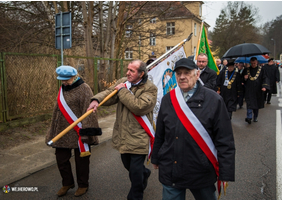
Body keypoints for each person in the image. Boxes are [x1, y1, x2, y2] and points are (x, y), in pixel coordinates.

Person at [151, 58, 235, 200]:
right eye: (178, 73)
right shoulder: (168, 99)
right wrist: (156, 157)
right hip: (172, 169)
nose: (182, 77)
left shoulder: (214, 100)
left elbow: (225, 140)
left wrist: (225, 172)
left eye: (187, 73)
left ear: (197, 75)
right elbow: (160, 133)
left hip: (201, 170)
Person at [87, 60, 157, 200]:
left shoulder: (150, 88)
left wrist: (123, 90)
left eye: (132, 71)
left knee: (135, 173)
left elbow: (139, 107)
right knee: (129, 166)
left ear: (141, 73)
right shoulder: (124, 81)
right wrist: (96, 100)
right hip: (123, 134)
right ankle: (145, 174)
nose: (127, 73)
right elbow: (109, 94)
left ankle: (135, 196)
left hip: (139, 135)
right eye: (127, 69)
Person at [46, 65, 101, 197]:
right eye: (62, 80)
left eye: (66, 79)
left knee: (81, 161)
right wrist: (52, 131)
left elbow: (88, 112)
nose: (64, 82)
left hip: (79, 131)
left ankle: (83, 185)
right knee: (61, 159)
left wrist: (87, 132)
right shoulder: (62, 89)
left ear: (74, 77)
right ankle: (67, 183)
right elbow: (57, 110)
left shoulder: (84, 89)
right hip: (63, 131)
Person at [242, 57, 269, 124]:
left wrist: (264, 86)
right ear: (250, 63)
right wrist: (244, 78)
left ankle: (255, 117)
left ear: (257, 62)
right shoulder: (246, 70)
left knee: (256, 104)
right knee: (249, 103)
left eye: (254, 63)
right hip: (249, 89)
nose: (253, 64)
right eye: (252, 63)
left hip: (258, 90)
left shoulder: (262, 70)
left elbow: (265, 78)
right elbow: (242, 80)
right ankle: (249, 117)